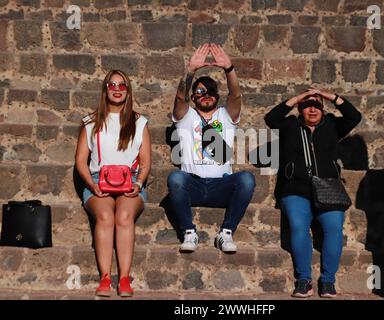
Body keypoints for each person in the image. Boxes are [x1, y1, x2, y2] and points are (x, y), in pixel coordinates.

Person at [264, 88, 361, 298]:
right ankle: (304, 280)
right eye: (307, 105)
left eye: (317, 105)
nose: (312, 109)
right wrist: (298, 97)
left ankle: (328, 281)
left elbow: (355, 116)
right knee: (299, 228)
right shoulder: (290, 125)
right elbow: (270, 118)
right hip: (295, 189)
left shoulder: (333, 125)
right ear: (300, 109)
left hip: (328, 189)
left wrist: (329, 96)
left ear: (323, 108)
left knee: (334, 229)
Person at [167, 43, 255, 254]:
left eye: (211, 91)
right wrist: (190, 71)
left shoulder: (225, 115)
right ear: (194, 97)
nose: (206, 94)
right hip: (193, 185)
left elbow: (235, 96)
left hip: (221, 185)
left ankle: (226, 232)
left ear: (217, 96)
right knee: (175, 178)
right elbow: (180, 98)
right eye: (200, 91)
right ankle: (189, 232)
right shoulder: (186, 116)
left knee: (246, 179)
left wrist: (229, 69)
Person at [75, 70, 151, 297]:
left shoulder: (139, 122)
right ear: (105, 89)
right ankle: (105, 277)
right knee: (106, 216)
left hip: (131, 182)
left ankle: (125, 278)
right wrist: (91, 184)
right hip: (98, 181)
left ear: (128, 91)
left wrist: (138, 184)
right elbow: (80, 161)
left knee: (124, 216)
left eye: (122, 85)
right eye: (112, 85)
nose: (117, 89)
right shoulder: (91, 122)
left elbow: (146, 162)